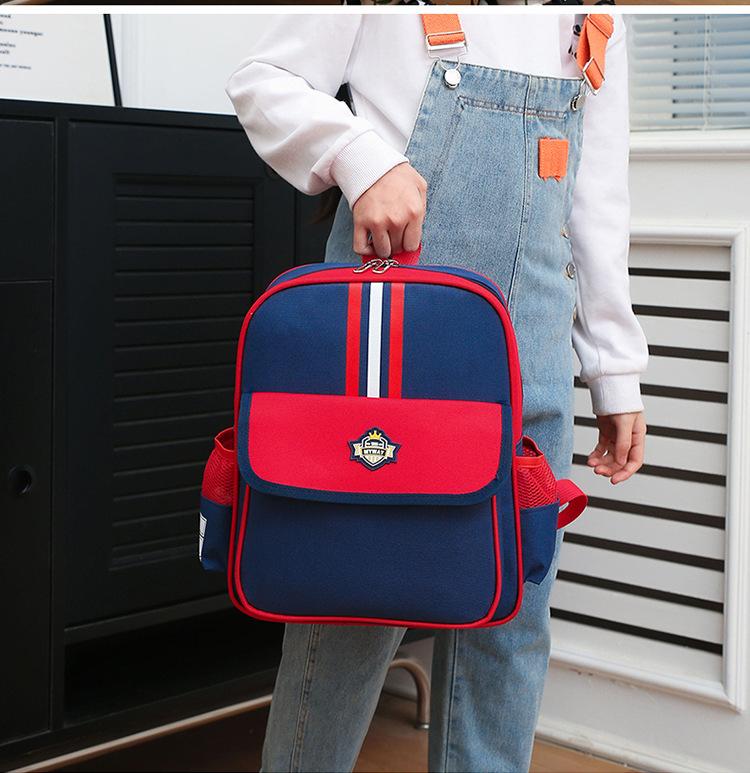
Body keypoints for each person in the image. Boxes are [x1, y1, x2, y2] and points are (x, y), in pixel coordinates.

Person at [226, 13, 648, 773]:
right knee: (352, 603)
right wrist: (361, 158)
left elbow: (596, 195)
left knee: (513, 617)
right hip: (390, 348)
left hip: (535, 349)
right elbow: (264, 82)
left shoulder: (596, 16)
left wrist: (614, 368)